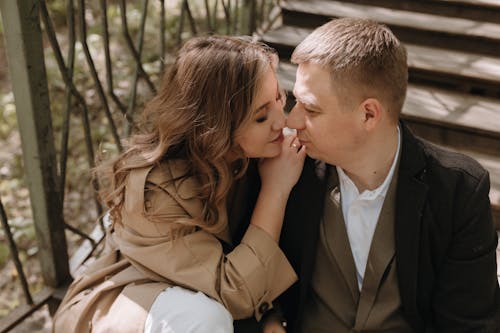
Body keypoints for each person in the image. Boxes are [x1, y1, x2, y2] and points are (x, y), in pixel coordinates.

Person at [52, 35, 306, 333]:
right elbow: (232, 291)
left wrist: (272, 317)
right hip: (130, 302)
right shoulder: (154, 192)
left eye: (279, 97)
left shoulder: (244, 155)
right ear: (216, 127)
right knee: (203, 318)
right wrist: (275, 190)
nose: (283, 121)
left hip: (198, 297)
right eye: (261, 117)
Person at [267, 18, 500, 332]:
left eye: (310, 109)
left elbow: (469, 324)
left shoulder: (458, 189)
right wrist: (270, 322)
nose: (291, 120)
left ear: (368, 114)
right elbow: (251, 290)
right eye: (294, 101)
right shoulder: (286, 169)